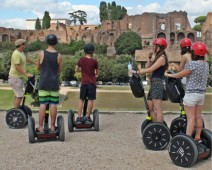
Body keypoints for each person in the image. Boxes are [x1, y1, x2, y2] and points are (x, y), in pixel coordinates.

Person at [165, 42, 209, 142]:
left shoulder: (192, 64)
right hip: (201, 95)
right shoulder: (206, 64)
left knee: (190, 119)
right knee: (198, 117)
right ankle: (198, 137)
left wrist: (169, 75)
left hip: (191, 95)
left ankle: (187, 140)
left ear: (194, 53)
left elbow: (180, 74)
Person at [130, 38, 169, 123]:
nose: (153, 47)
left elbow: (150, 69)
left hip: (157, 84)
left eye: (154, 46)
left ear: (159, 47)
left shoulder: (162, 58)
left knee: (158, 109)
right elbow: (147, 66)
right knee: (150, 107)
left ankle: (160, 127)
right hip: (153, 84)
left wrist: (137, 71)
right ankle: (155, 125)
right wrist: (150, 57)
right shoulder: (157, 57)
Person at [36, 34, 62, 132]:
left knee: (43, 104)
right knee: (53, 104)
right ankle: (52, 126)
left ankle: (41, 127)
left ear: (47, 42)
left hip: (43, 82)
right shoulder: (59, 55)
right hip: (54, 83)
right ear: (56, 42)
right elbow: (59, 70)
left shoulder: (41, 53)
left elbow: (38, 67)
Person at [75, 43, 99, 123]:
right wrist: (94, 75)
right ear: (92, 52)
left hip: (84, 82)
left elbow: (76, 69)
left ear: (84, 51)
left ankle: (78, 117)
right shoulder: (94, 61)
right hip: (91, 82)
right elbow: (97, 72)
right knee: (90, 99)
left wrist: (82, 70)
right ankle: (88, 117)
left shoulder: (81, 60)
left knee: (82, 99)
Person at [8, 39, 36, 108]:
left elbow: (25, 58)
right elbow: (17, 67)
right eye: (24, 44)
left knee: (17, 95)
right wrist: (26, 74)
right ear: (20, 45)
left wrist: (34, 62)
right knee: (19, 95)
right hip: (15, 78)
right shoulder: (16, 54)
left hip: (17, 77)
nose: (25, 45)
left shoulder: (21, 52)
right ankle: (16, 113)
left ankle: (15, 110)